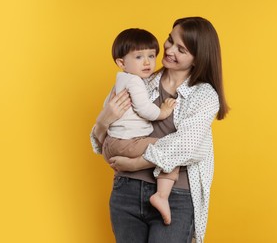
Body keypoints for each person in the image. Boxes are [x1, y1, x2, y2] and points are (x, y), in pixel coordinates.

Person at [91, 17, 229, 243]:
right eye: (170, 40)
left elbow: (187, 147)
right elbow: (102, 142)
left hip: (176, 197)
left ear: (197, 59)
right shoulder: (140, 78)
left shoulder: (203, 95)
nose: (169, 49)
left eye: (181, 49)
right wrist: (103, 121)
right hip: (126, 190)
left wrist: (136, 163)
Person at [102, 28, 179, 225]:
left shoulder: (120, 81)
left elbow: (106, 108)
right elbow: (145, 109)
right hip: (128, 142)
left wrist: (101, 127)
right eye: (139, 57)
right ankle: (161, 196)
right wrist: (162, 112)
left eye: (151, 56)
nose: (147, 62)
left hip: (112, 143)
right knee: (169, 150)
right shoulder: (136, 81)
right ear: (121, 62)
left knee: (168, 150)